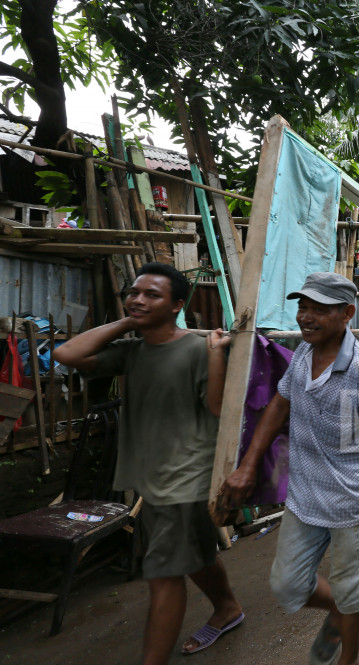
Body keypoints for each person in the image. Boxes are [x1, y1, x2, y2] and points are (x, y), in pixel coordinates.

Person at [53, 262, 243, 665]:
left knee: (163, 572)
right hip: (152, 478)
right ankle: (228, 608)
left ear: (176, 306)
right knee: (195, 554)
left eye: (151, 295)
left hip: (186, 478)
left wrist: (215, 357)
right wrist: (128, 322)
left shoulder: (197, 349)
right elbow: (65, 353)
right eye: (133, 293)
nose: (138, 300)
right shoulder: (132, 351)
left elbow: (216, 408)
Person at [221, 272, 359, 665]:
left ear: (347, 314)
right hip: (305, 498)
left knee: (354, 596)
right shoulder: (304, 353)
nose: (305, 317)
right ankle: (340, 608)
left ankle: (347, 657)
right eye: (303, 307)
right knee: (287, 585)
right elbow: (280, 403)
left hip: (353, 506)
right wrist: (248, 464)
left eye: (318, 309)